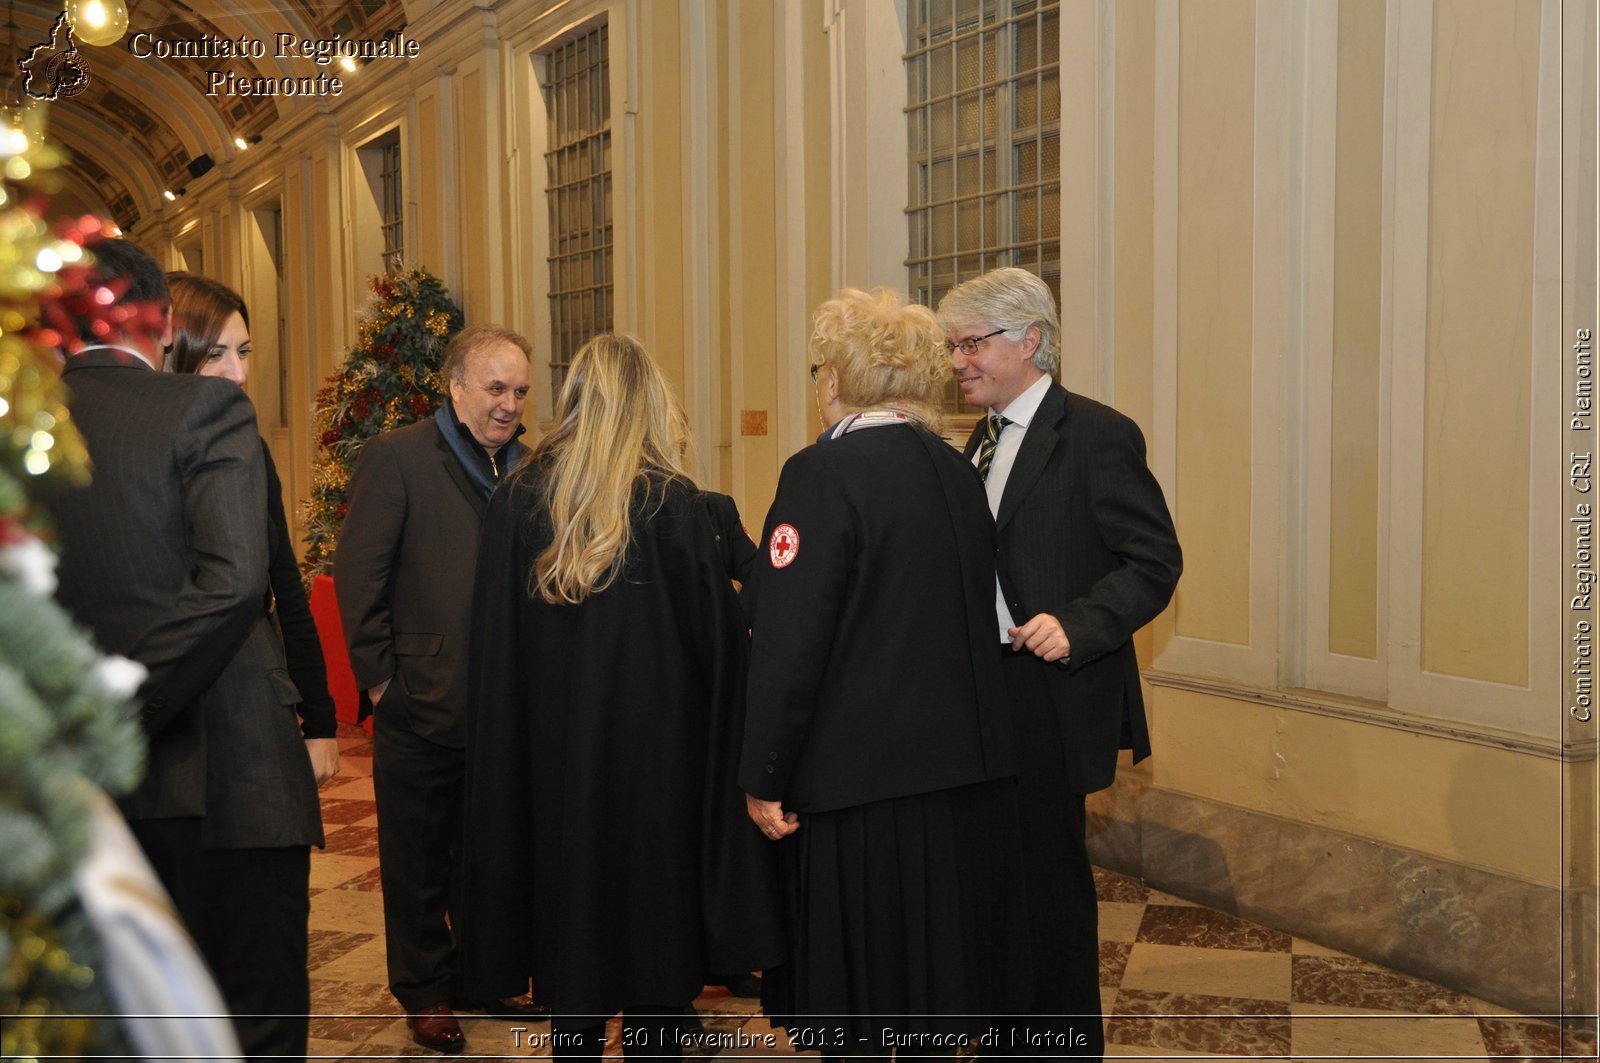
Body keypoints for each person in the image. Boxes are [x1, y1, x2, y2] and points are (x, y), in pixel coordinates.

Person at [462, 333, 784, 1061]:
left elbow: (494, 652)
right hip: (657, 786)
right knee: (656, 978)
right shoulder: (674, 505)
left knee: (572, 969)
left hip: (555, 779)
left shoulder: (518, 500)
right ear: (651, 402)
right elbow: (721, 652)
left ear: (573, 400)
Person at [41, 238, 324, 1060]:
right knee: (256, 1018)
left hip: (88, 792)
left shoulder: (26, 428)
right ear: (161, 323)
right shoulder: (201, 412)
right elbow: (239, 581)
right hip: (229, 777)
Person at [740, 288, 1032, 1060]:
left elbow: (789, 639)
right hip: (956, 779)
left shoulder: (821, 473)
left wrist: (764, 770)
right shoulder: (955, 471)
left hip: (855, 787)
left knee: (858, 995)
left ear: (835, 376)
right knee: (934, 984)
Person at [937, 267, 1183, 1059]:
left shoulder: (1097, 434)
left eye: (972, 343)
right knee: (995, 882)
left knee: (1048, 888)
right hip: (988, 693)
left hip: (1052, 693)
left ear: (1030, 340)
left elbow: (1155, 561)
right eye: (954, 346)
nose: (959, 361)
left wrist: (1077, 624)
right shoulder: (978, 439)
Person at [335, 323, 543, 1053]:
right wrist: (385, 684)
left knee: (487, 854)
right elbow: (360, 580)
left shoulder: (529, 467)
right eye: (495, 388)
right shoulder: (398, 458)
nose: (509, 403)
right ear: (454, 388)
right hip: (419, 700)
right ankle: (425, 991)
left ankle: (483, 973)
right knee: (418, 861)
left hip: (502, 711)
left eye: (519, 390)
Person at [164, 271, 340, 789]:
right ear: (173, 354)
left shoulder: (249, 451)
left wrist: (320, 722)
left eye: (244, 351)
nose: (238, 374)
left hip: (251, 699)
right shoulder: (132, 453)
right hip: (163, 709)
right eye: (216, 354)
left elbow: (286, 586)